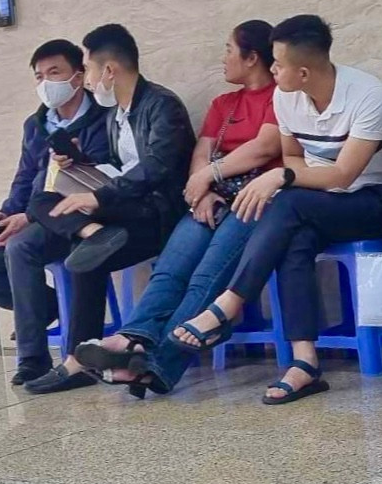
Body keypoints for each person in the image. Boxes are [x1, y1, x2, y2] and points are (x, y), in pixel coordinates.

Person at [170, 14, 382, 403]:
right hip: (314, 203)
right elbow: (292, 156)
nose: (271, 70)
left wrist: (281, 178)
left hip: (370, 201)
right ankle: (305, 362)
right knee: (295, 238)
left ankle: (228, 303)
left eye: (277, 64)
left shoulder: (368, 94)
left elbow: (343, 174)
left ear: (303, 72)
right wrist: (288, 176)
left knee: (287, 200)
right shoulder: (285, 96)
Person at [74, 21, 282, 395]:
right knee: (170, 270)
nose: (223, 58)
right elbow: (201, 152)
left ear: (252, 58)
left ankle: (156, 364)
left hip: (255, 199)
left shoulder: (281, 97)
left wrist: (208, 176)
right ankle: (132, 339)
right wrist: (201, 190)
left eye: (228, 50)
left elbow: (265, 148)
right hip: (212, 197)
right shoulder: (224, 104)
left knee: (205, 277)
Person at [19, 23, 196, 394]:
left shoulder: (162, 105)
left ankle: (75, 362)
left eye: (90, 69)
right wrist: (79, 164)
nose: (89, 79)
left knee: (86, 256)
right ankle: (92, 232)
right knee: (42, 198)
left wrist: (98, 198)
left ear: (109, 70)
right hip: (122, 205)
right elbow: (118, 166)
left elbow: (157, 167)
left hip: (157, 212)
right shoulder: (117, 112)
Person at [0, 39, 110, 385]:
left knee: (20, 247)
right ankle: (45, 308)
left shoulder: (103, 117)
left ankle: (32, 359)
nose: (46, 83)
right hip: (32, 215)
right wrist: (7, 214)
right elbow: (25, 177)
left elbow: (104, 175)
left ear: (78, 75)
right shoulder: (35, 124)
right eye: (39, 76)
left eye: (55, 72)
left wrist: (77, 160)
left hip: (75, 216)